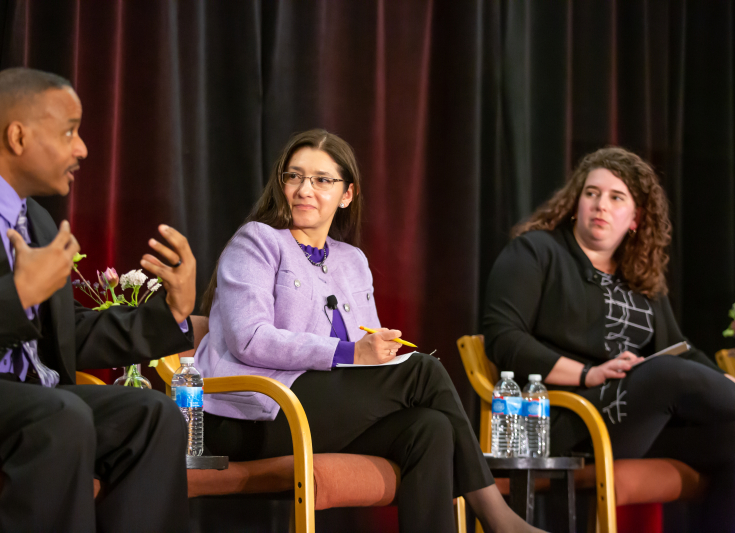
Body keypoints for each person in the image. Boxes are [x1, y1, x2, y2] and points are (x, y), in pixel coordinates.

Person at [195, 129, 542, 533]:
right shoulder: (256, 241)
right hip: (253, 413)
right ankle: (498, 517)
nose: (305, 189)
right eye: (294, 176)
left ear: (347, 194)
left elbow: (368, 350)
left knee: (430, 428)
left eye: (322, 180)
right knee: (423, 372)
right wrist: (349, 353)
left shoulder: (352, 261)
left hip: (320, 409)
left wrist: (381, 353)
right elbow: (250, 338)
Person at [0, 67, 197, 532]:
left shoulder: (34, 217)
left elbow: (69, 332)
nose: (83, 149)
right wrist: (14, 299)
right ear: (17, 136)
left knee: (155, 416)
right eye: (70, 132)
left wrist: (170, 312)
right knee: (63, 416)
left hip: (35, 398)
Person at [483, 146, 735, 528]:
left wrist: (724, 382)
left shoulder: (640, 275)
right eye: (592, 193)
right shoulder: (535, 251)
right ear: (575, 202)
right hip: (562, 418)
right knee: (662, 374)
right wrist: (589, 374)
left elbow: (680, 351)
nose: (601, 204)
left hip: (635, 425)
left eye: (616, 197)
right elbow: (503, 338)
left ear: (635, 217)